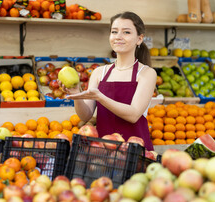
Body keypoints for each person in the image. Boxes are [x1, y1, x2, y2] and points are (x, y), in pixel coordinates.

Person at [63, 11, 157, 150]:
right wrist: (77, 93)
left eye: (126, 32)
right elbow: (86, 115)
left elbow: (133, 114)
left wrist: (100, 97)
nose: (118, 37)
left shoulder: (146, 73)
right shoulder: (99, 73)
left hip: (135, 152)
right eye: (114, 32)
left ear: (139, 39)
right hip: (104, 151)